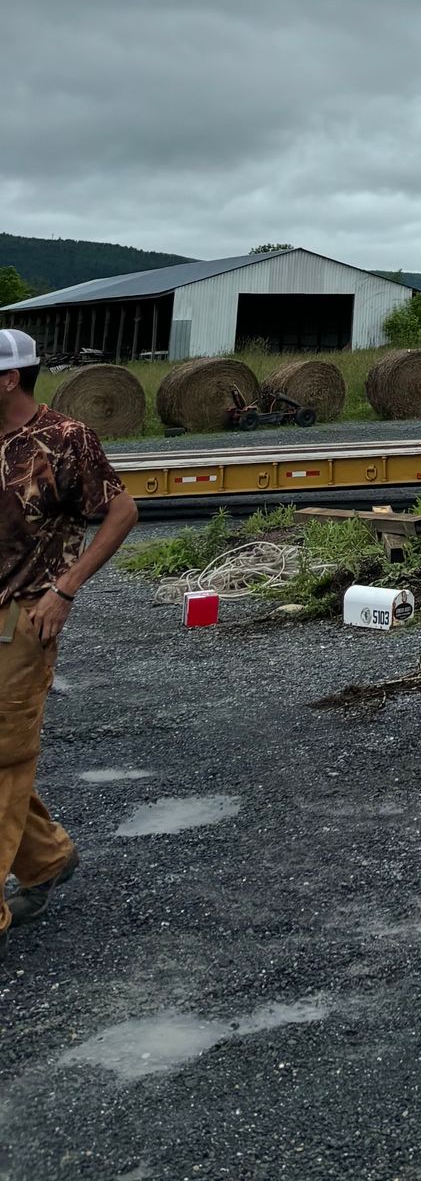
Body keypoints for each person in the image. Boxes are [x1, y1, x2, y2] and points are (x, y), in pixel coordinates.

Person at [0, 325, 140, 935]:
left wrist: (64, 589)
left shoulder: (63, 439)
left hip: (23, 615)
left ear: (9, 377)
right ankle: (48, 858)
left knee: (3, 757)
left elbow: (122, 509)